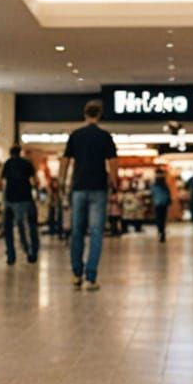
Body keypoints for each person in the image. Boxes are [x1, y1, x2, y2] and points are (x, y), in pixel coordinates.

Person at [59, 99, 117, 290]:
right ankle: (91, 277)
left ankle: (76, 274)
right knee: (96, 232)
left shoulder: (75, 135)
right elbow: (113, 162)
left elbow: (65, 160)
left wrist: (61, 182)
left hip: (78, 188)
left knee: (77, 232)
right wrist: (114, 184)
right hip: (99, 188)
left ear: (85, 114)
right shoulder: (104, 136)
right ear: (99, 115)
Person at [0, 144, 39, 264]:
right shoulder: (27, 163)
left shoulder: (7, 163)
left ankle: (11, 255)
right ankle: (32, 253)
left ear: (10, 153)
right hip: (26, 198)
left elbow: (0, 181)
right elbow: (35, 180)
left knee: (8, 228)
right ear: (20, 152)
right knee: (31, 226)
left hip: (10, 199)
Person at [151, 172, 172, 242]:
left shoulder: (155, 186)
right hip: (164, 204)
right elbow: (168, 195)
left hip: (158, 204)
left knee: (159, 219)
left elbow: (152, 193)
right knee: (163, 219)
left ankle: (161, 231)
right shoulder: (165, 186)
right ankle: (162, 231)